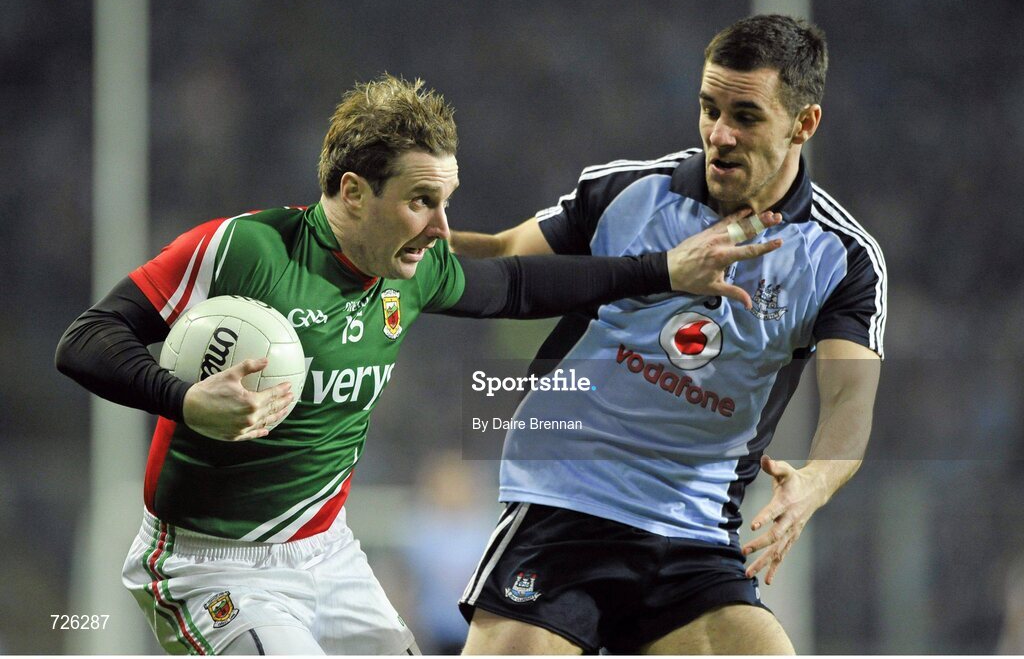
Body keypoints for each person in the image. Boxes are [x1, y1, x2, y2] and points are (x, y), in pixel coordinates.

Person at [55, 74, 780, 655]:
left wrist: (662, 270)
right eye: (421, 202)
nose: (441, 227)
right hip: (211, 562)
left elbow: (520, 286)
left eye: (446, 200)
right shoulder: (246, 251)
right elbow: (87, 339)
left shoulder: (415, 270)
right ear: (352, 192)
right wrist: (184, 398)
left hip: (327, 556)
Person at [454, 15, 886, 655]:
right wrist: (384, 242)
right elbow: (499, 256)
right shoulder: (627, 192)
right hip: (565, 499)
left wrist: (813, 485)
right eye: (709, 108)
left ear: (805, 124)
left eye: (746, 116)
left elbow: (851, 399)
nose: (720, 135)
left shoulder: (842, 255)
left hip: (696, 533)